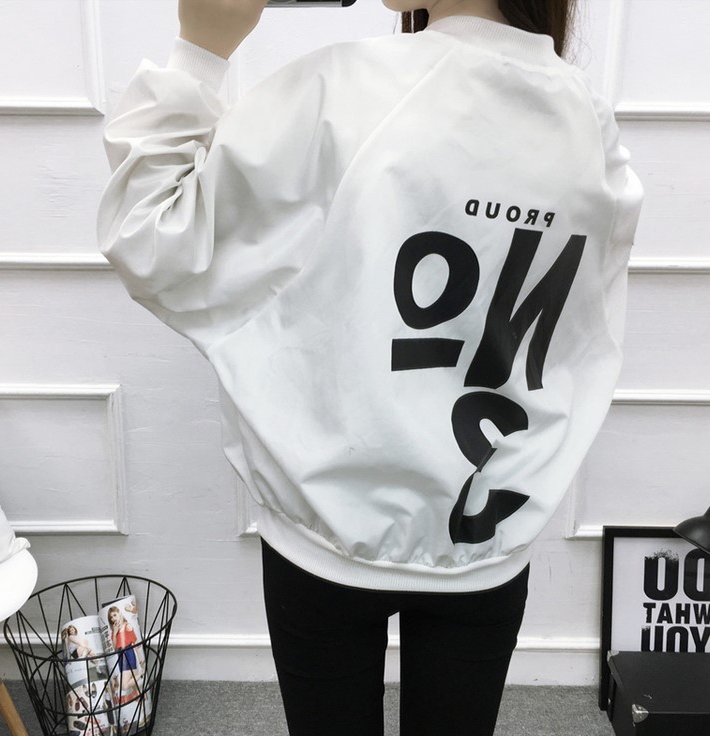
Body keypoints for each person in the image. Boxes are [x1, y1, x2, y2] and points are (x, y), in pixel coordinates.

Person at [97, 1, 643, 734]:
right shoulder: (588, 124)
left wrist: (201, 47)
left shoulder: (340, 88)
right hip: (484, 527)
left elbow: (151, 236)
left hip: (325, 528)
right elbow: (581, 337)